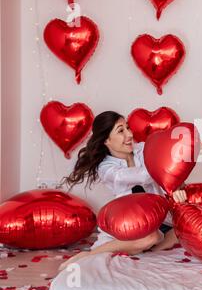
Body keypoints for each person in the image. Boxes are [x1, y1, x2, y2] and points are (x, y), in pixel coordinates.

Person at [59, 111, 188, 271]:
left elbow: (166, 168)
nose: (129, 134)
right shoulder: (106, 168)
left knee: (183, 226)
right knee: (151, 236)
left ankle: (148, 249)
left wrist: (187, 156)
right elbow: (144, 175)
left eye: (128, 127)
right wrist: (172, 163)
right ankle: (89, 255)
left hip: (159, 217)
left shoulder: (142, 149)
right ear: (107, 140)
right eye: (121, 131)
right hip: (131, 222)